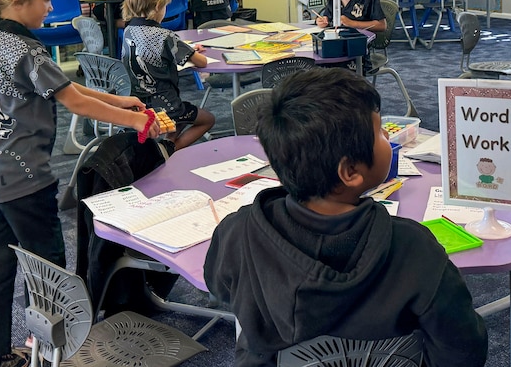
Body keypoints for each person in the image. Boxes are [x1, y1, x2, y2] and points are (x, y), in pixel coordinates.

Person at [204, 67, 489, 367]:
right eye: (380, 131)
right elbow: (463, 349)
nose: (386, 137)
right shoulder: (415, 249)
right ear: (350, 172)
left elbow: (218, 287)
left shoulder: (238, 232)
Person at [0, 0, 161, 367]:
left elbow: (65, 88)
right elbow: (75, 103)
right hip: (22, 183)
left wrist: (121, 99)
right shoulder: (28, 51)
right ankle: (53, 350)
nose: (51, 8)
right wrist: (135, 121)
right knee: (49, 270)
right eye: (46, 0)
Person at [121, 0, 215, 150]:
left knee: (180, 122)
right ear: (158, 6)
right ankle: (168, 150)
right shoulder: (165, 36)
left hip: (139, 104)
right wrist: (192, 51)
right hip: (168, 106)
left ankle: (166, 147)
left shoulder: (129, 31)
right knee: (207, 120)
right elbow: (201, 62)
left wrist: (186, 50)